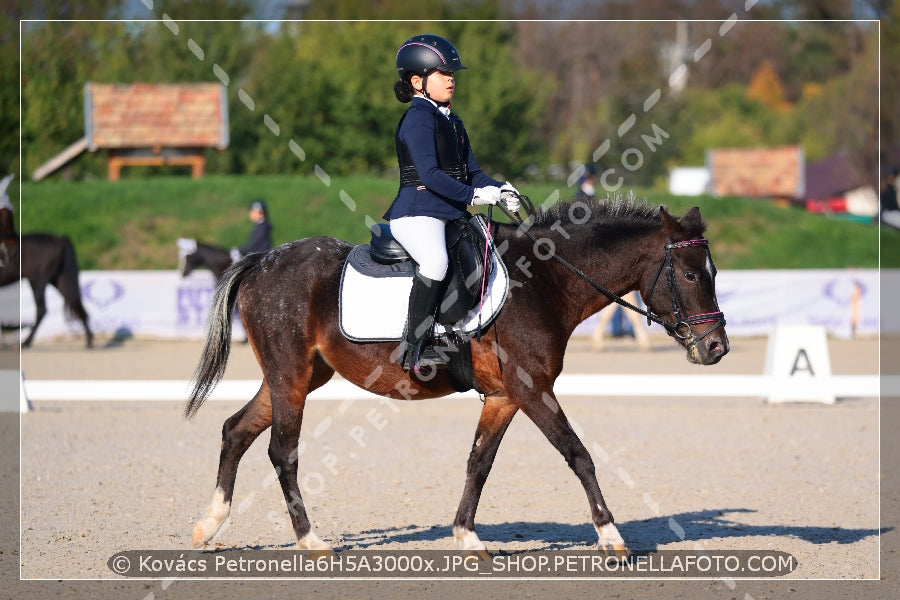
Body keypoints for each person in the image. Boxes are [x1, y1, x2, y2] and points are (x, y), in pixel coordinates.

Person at [383, 34, 521, 374]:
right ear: (417, 81)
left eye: (452, 74)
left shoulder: (452, 121)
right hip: (418, 212)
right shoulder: (418, 119)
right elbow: (429, 175)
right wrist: (474, 196)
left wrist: (500, 189)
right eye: (443, 73)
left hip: (447, 213)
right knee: (436, 262)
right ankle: (414, 348)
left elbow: (472, 173)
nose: (451, 79)